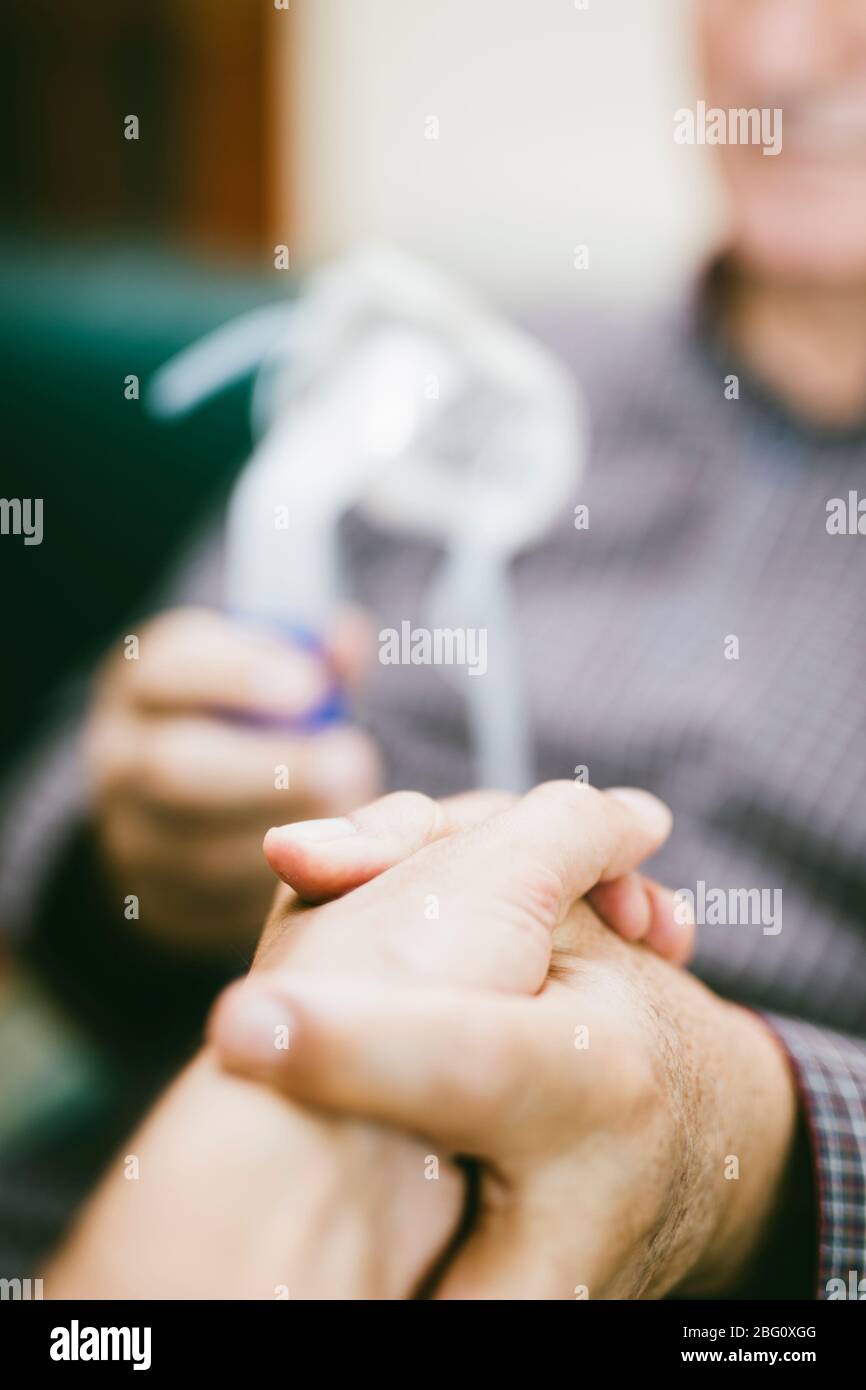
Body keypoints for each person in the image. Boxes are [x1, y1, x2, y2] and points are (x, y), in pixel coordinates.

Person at [2, 0, 865, 1295]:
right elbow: (62, 817)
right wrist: (144, 855)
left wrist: (751, 1131)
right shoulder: (445, 373)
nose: (781, 49)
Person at [44, 783, 796, 1300]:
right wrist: (132, 859)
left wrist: (748, 1114)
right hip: (91, 1164)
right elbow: (41, 835)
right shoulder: (293, 551)